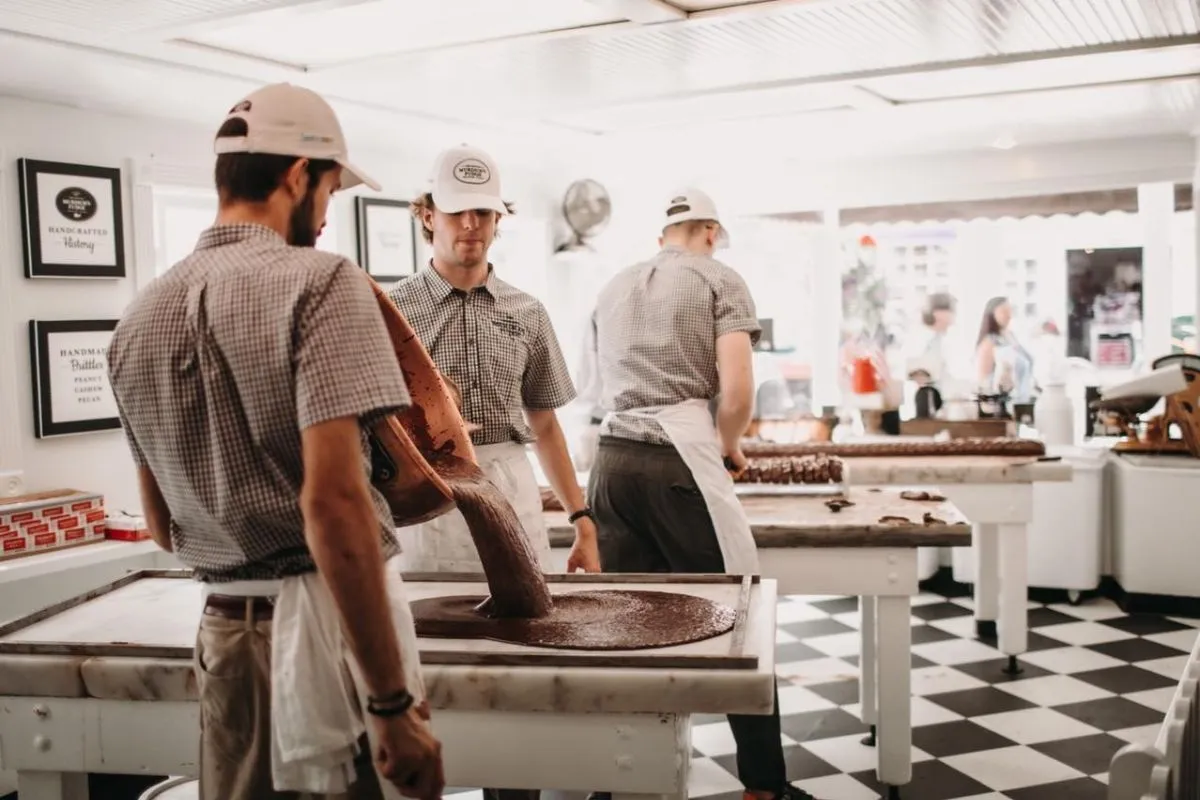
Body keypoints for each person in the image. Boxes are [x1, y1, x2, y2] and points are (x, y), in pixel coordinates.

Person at [107, 84, 443, 800]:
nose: (325, 215)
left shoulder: (136, 319)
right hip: (326, 643)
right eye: (329, 192)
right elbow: (335, 508)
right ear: (297, 176)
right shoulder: (323, 283)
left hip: (225, 639)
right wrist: (388, 704)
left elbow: (163, 527)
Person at [588, 188, 815, 800]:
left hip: (610, 463)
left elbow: (596, 389)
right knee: (743, 616)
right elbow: (738, 393)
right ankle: (765, 786)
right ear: (710, 230)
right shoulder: (719, 279)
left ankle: (621, 779)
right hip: (679, 456)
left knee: (631, 628)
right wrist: (728, 443)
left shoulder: (612, 287)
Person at [386, 144, 600, 579]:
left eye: (483, 212)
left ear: (498, 219)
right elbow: (370, 429)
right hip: (429, 489)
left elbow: (544, 426)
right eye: (456, 211)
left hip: (511, 485)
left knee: (525, 629)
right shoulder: (391, 312)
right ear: (428, 216)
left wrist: (581, 519)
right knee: (435, 630)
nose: (470, 224)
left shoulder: (527, 312)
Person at [976, 295, 1035, 402]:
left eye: (1009, 310)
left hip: (1023, 399)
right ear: (992, 314)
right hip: (1003, 402)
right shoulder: (989, 342)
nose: (1008, 315)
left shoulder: (1011, 337)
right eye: (1003, 311)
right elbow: (983, 380)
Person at [904, 291, 957, 387]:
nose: (954, 317)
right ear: (938, 313)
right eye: (952, 311)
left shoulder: (940, 339)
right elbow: (918, 373)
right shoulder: (921, 339)